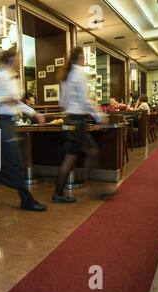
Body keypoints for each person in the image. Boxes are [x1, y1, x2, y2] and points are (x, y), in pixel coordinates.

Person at [0, 47, 47, 212]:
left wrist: (34, 113)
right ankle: (27, 201)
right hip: (2, 123)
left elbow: (17, 103)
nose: (20, 62)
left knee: (6, 162)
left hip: (10, 123)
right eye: (18, 59)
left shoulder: (14, 80)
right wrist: (5, 98)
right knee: (15, 163)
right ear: (11, 60)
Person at [52, 47, 101, 203]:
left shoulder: (66, 75)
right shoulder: (79, 72)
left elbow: (61, 102)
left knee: (90, 151)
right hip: (76, 121)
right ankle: (58, 193)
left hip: (70, 120)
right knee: (71, 158)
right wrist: (99, 116)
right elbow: (85, 100)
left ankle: (90, 186)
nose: (85, 60)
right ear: (80, 57)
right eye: (84, 57)